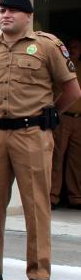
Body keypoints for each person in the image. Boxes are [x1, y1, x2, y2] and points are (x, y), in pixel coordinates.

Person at [0, 0, 81, 280]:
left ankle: (39, 271)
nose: (6, 15)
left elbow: (72, 90)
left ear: (28, 16)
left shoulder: (47, 46)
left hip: (31, 132)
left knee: (35, 204)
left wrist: (50, 113)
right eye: (2, 10)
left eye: (14, 11)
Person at [50, 37, 81, 208]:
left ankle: (76, 197)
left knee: (76, 161)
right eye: (70, 46)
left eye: (76, 46)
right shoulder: (60, 65)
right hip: (63, 116)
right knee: (56, 157)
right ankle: (52, 196)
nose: (72, 49)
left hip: (79, 119)